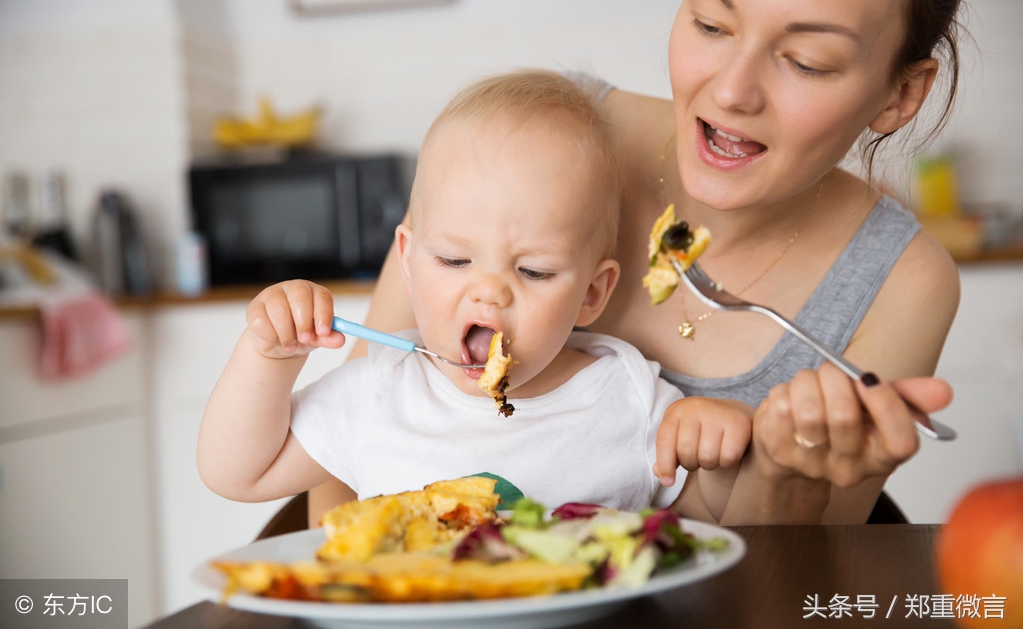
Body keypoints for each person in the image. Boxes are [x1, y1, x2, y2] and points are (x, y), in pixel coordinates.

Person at [309, 0, 969, 526]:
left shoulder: (901, 282)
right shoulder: (532, 138)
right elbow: (345, 455)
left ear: (899, 95)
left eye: (806, 61)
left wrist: (781, 475)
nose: (732, 91)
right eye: (710, 22)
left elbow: (795, 575)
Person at [196, 70, 751, 513]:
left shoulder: (628, 398)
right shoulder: (380, 392)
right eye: (454, 260)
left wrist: (716, 461)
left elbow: (706, 528)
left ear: (592, 293)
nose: (488, 294)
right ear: (409, 262)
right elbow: (237, 473)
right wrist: (269, 356)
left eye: (533, 271)